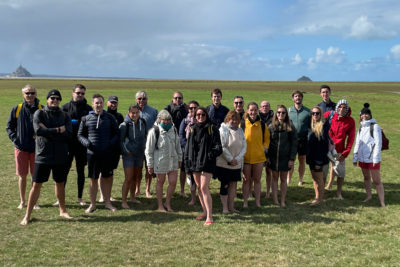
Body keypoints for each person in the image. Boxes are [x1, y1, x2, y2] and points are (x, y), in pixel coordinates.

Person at [20, 89, 72, 225]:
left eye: (57, 98)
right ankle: (27, 215)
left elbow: (68, 134)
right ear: (47, 99)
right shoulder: (40, 113)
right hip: (43, 155)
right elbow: (38, 130)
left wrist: (48, 130)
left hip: (60, 155)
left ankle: (63, 210)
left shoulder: (65, 115)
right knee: (36, 184)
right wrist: (58, 130)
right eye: (52, 98)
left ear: (60, 100)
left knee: (60, 183)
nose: (54, 100)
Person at [78, 94, 119, 213]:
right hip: (92, 154)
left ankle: (107, 202)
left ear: (103, 103)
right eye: (96, 103)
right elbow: (80, 135)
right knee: (93, 179)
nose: (99, 105)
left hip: (106, 153)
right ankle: (92, 204)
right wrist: (87, 143)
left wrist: (109, 144)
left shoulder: (110, 118)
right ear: (92, 104)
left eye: (101, 102)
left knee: (107, 177)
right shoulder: (86, 118)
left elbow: (116, 133)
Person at [6, 84, 43, 210]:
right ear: (23, 95)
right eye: (27, 93)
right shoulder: (17, 109)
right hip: (20, 148)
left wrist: (40, 138)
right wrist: (16, 140)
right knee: (22, 176)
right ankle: (22, 201)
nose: (30, 95)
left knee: (35, 176)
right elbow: (9, 127)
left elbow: (46, 127)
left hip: (36, 149)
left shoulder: (41, 109)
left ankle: (34, 202)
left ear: (36, 94)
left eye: (32, 93)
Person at [185, 107, 222, 226]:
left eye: (203, 115)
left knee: (205, 188)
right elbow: (188, 148)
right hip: (194, 163)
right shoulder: (192, 129)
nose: (200, 117)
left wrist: (209, 156)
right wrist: (187, 163)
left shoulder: (212, 128)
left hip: (207, 163)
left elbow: (218, 147)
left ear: (206, 116)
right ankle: (204, 212)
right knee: (199, 188)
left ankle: (210, 216)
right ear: (195, 117)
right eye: (198, 115)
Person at [61, 83, 92, 206]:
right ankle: (60, 198)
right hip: (67, 145)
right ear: (73, 93)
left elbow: (89, 125)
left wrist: (76, 122)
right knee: (64, 171)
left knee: (81, 172)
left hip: (81, 145)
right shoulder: (65, 107)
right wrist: (77, 122)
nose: (80, 95)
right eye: (78, 93)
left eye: (82, 93)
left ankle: (80, 197)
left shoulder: (88, 108)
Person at [145, 110, 182, 212]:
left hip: (173, 160)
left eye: (168, 120)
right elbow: (149, 150)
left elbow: (177, 145)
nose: (166, 122)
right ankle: (160, 205)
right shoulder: (154, 131)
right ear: (159, 119)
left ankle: (168, 203)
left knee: (173, 182)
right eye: (164, 120)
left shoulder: (173, 129)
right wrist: (150, 165)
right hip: (160, 161)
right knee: (160, 182)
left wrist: (180, 158)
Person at [353, 103, 385, 207]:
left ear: (370, 115)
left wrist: (375, 158)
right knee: (366, 178)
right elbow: (357, 142)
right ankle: (368, 196)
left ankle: (382, 202)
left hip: (372, 158)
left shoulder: (375, 126)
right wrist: (355, 157)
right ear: (360, 116)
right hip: (362, 158)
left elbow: (378, 143)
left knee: (376, 181)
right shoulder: (361, 128)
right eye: (362, 114)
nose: (364, 116)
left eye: (366, 114)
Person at [324, 99, 355, 200]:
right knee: (323, 171)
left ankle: (338, 193)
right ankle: (321, 191)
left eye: (344, 107)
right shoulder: (330, 115)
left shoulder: (350, 121)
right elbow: (317, 118)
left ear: (347, 109)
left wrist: (345, 153)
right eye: (340, 107)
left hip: (339, 151)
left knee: (340, 173)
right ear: (337, 107)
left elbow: (351, 139)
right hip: (326, 148)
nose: (342, 109)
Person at [216, 111, 246, 213]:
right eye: (231, 119)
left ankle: (232, 207)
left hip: (236, 164)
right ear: (228, 119)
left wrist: (237, 159)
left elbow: (244, 147)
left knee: (233, 186)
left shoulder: (240, 131)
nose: (233, 121)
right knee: (225, 185)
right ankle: (225, 208)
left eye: (236, 119)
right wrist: (230, 159)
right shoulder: (223, 130)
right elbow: (223, 147)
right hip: (225, 164)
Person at [241, 102, 270, 208]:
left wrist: (264, 148)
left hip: (259, 158)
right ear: (247, 111)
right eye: (251, 110)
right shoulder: (243, 124)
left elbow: (267, 139)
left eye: (255, 110)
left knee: (257, 180)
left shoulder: (262, 125)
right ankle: (245, 202)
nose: (253, 112)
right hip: (246, 158)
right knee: (246, 180)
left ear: (258, 111)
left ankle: (258, 202)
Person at [268, 105, 297, 207]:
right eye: (279, 112)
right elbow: (267, 143)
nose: (281, 114)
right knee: (274, 178)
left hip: (285, 158)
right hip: (273, 157)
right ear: (276, 114)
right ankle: (275, 200)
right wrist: (267, 157)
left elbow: (294, 144)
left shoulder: (290, 127)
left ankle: (283, 200)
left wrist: (292, 159)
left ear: (286, 114)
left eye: (283, 113)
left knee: (283, 179)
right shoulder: (271, 127)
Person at [119, 105, 147, 209]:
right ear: (128, 113)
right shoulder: (124, 125)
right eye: (132, 113)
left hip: (140, 154)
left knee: (136, 177)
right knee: (128, 178)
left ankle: (132, 197)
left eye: (136, 112)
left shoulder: (142, 122)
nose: (134, 115)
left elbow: (145, 136)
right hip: (129, 156)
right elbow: (121, 141)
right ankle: (123, 201)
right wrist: (127, 152)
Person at [98, 96, 123, 203]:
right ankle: (101, 195)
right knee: (101, 172)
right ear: (107, 103)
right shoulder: (103, 115)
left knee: (110, 172)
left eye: (115, 103)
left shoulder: (119, 116)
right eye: (111, 102)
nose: (113, 105)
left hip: (115, 149)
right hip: (103, 149)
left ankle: (109, 194)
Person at [134, 90, 158, 198]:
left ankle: (148, 189)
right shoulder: (132, 110)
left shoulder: (153, 111)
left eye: (143, 98)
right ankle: (137, 189)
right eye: (139, 98)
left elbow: (157, 127)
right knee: (138, 168)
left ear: (147, 99)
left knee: (149, 168)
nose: (141, 100)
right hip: (137, 145)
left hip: (150, 144)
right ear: (136, 100)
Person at [164, 91, 188, 198]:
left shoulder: (186, 109)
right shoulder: (167, 109)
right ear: (172, 99)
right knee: (169, 167)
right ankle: (168, 190)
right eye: (176, 98)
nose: (178, 100)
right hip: (170, 140)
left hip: (182, 141)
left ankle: (182, 190)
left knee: (182, 167)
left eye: (180, 98)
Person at [306, 106, 330, 205]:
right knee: (314, 178)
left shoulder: (324, 126)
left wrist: (319, 161)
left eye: (317, 113)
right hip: (311, 157)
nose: (315, 115)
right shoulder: (311, 125)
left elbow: (324, 146)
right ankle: (316, 196)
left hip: (319, 158)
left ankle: (319, 199)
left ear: (321, 115)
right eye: (313, 113)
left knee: (319, 179)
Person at [288, 90, 311, 186]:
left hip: (303, 140)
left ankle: (300, 179)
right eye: (296, 96)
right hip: (291, 140)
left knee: (302, 160)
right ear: (293, 98)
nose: (298, 98)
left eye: (299, 96)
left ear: (302, 98)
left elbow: (311, 126)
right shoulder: (289, 111)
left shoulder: (308, 111)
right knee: (291, 160)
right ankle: (288, 179)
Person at [179, 100, 200, 206]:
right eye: (191, 108)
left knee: (199, 176)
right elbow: (181, 137)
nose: (193, 110)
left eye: (195, 107)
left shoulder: (201, 120)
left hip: (199, 154)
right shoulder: (185, 121)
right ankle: (193, 198)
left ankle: (201, 196)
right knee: (190, 176)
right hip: (187, 153)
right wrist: (188, 149)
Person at [317, 84, 336, 186]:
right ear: (320, 94)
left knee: (333, 161)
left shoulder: (335, 106)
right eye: (323, 92)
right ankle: (321, 182)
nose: (325, 94)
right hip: (322, 138)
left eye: (327, 92)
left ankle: (330, 183)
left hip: (333, 137)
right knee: (323, 161)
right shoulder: (318, 107)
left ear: (330, 93)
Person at [259, 100, 274, 198]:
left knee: (269, 171)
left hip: (270, 148)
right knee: (256, 172)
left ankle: (268, 192)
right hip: (258, 148)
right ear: (260, 108)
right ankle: (256, 191)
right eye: (263, 106)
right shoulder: (256, 117)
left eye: (267, 106)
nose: (265, 108)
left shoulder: (274, 118)